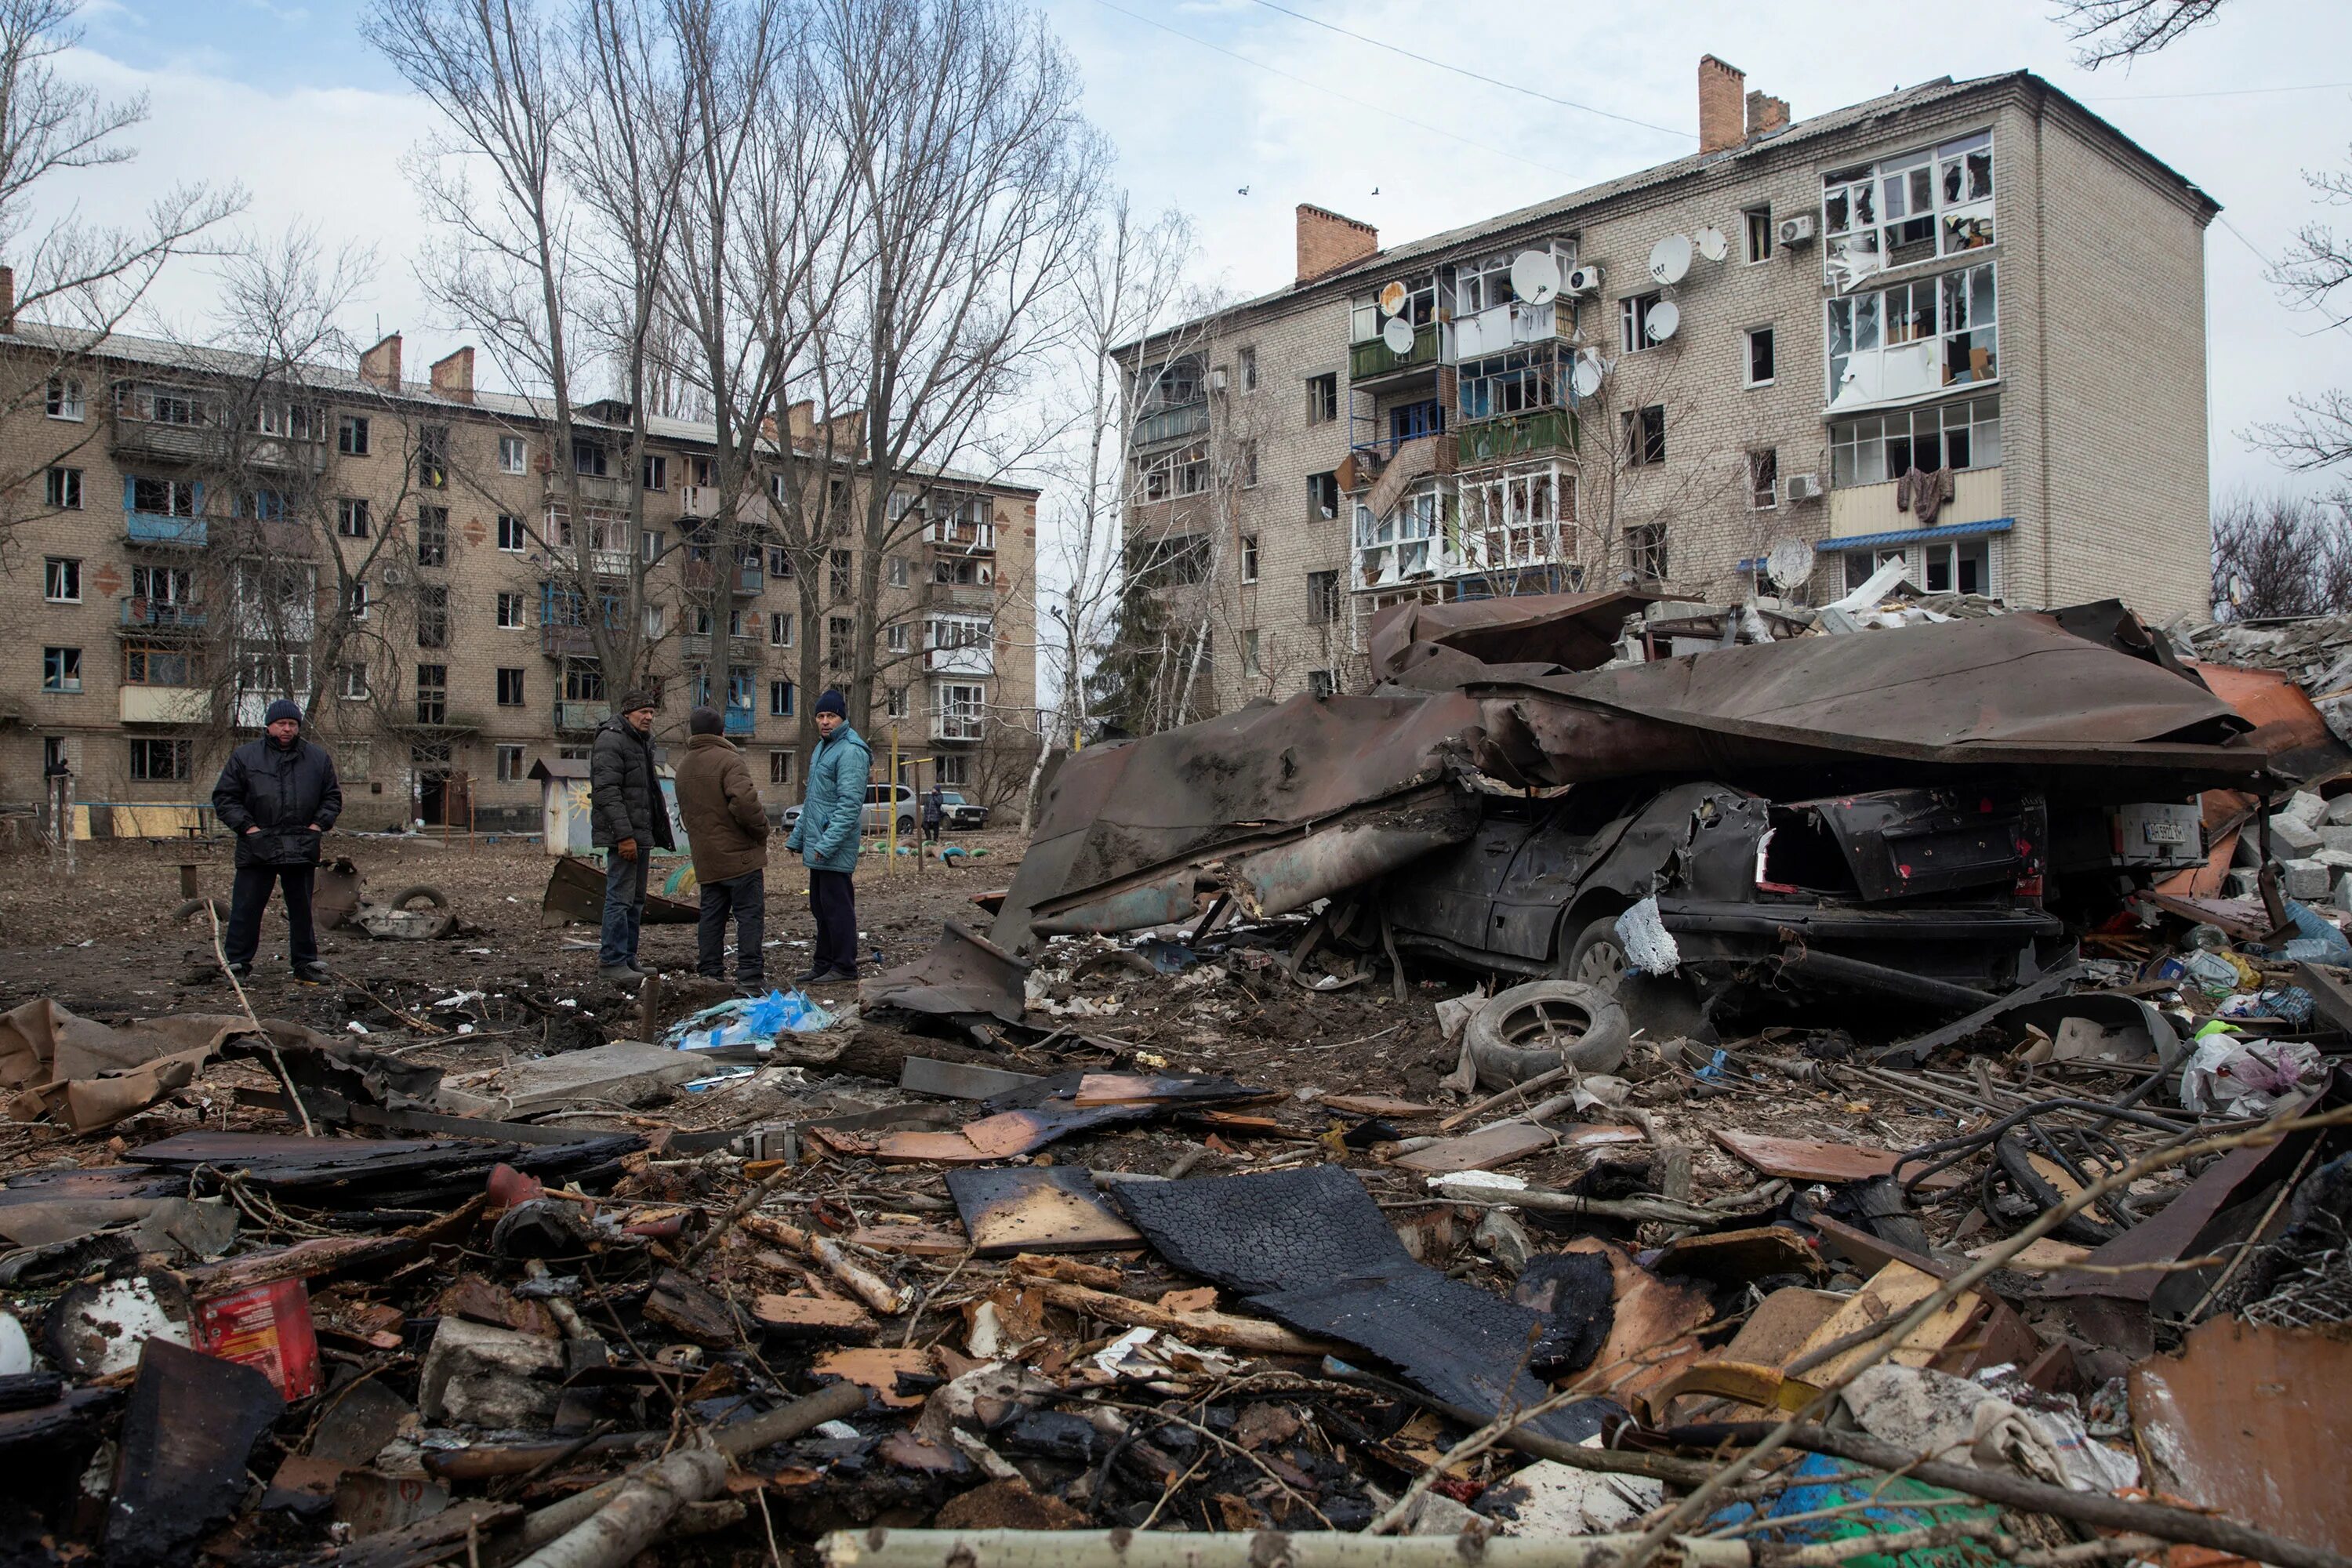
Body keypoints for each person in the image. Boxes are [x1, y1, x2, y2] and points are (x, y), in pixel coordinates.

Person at [211, 698, 341, 983]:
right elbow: (225, 798)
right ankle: (237, 964)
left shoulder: (317, 759)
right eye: (281, 724)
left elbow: (332, 797)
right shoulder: (245, 757)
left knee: (302, 910)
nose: (287, 729)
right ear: (268, 726)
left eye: (292, 724)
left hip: (301, 843)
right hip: (258, 845)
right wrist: (249, 829)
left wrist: (316, 826)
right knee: (247, 907)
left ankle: (305, 964)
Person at [675, 705, 771, 989]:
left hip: (707, 859)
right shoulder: (730, 760)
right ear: (722, 731)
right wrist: (761, 831)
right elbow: (744, 802)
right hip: (740, 857)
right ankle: (750, 977)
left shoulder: (683, 767)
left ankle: (710, 976)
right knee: (749, 916)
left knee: (711, 919)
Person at [785, 688, 870, 984]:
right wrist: (798, 838)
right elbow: (813, 801)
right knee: (820, 908)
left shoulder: (850, 751)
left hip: (833, 846)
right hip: (819, 845)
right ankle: (823, 964)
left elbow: (849, 806)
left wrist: (826, 844)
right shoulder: (823, 747)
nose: (824, 721)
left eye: (830, 716)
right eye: (820, 716)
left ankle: (844, 966)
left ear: (841, 718)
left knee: (837, 908)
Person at [590, 690, 675, 983]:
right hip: (624, 836)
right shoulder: (612, 739)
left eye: (652, 712)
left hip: (640, 834)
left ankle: (627, 958)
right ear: (628, 713)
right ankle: (611, 961)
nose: (649, 717)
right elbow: (607, 792)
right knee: (619, 898)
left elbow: (645, 793)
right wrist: (624, 836)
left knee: (636, 900)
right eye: (643, 712)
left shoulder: (640, 742)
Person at [922, 782, 945, 847]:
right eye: (933, 789)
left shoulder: (940, 796)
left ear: (937, 790)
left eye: (934, 789)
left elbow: (939, 803)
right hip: (928, 815)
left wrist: (934, 797)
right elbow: (926, 803)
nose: (933, 790)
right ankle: (928, 838)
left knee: (935, 828)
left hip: (935, 815)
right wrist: (925, 810)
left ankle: (935, 840)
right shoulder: (930, 796)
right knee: (925, 825)